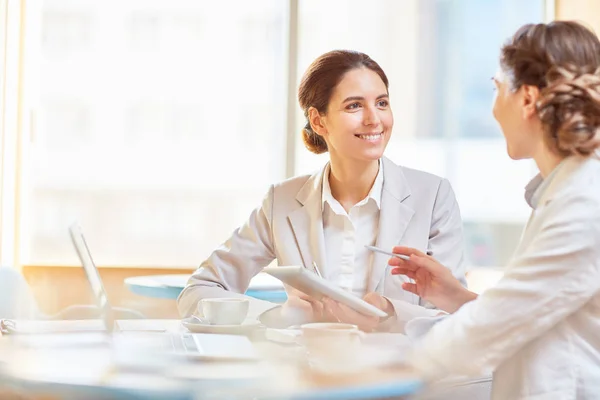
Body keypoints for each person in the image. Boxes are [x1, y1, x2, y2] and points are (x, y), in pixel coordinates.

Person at [380, 21, 600, 398]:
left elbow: (491, 327)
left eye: (498, 90)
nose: (494, 109)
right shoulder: (565, 192)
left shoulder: (584, 202)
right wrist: (454, 297)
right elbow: (535, 311)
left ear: (528, 99)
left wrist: (370, 372)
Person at [177, 50, 466, 331]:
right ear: (318, 121)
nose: (374, 119)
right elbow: (198, 291)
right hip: (309, 374)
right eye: (354, 106)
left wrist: (390, 314)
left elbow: (458, 318)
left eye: (381, 103)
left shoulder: (433, 196)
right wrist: (280, 314)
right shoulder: (283, 201)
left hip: (401, 374)